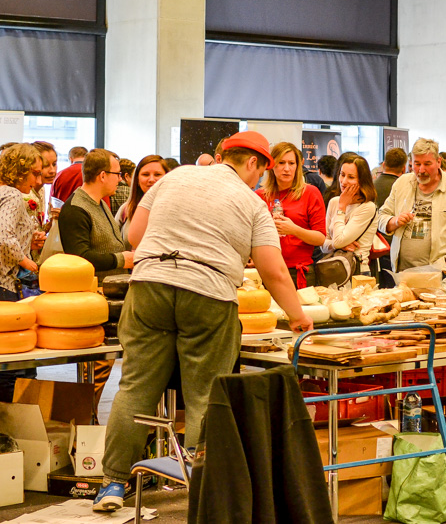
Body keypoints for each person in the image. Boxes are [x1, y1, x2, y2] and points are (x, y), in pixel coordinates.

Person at [93, 130, 313, 512]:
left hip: (149, 286)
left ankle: (111, 484)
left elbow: (135, 235)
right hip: (208, 294)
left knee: (135, 387)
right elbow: (274, 271)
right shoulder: (252, 202)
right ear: (253, 163)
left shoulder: (175, 177)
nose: (259, 179)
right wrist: (298, 316)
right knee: (205, 394)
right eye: (262, 171)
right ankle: (202, 489)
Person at [59, 149, 134, 408]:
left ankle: (87, 417)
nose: (120, 180)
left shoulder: (101, 203)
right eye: (117, 174)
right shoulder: (76, 209)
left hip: (109, 299)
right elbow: (80, 258)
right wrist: (121, 259)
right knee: (95, 372)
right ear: (102, 175)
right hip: (92, 302)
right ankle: (82, 419)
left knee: (104, 367)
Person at [0, 144, 44, 401]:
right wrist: (27, 261)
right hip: (6, 285)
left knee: (2, 364)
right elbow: (3, 240)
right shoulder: (12, 196)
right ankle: (11, 420)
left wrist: (26, 243)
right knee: (14, 366)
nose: (38, 181)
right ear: (20, 171)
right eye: (34, 173)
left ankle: (0, 418)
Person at [377, 138, 446, 288]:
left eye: (427, 164)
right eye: (417, 164)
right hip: (403, 275)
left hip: (442, 276)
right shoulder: (402, 183)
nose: (421, 170)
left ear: (438, 162)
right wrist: (394, 221)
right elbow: (381, 217)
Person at [256, 142, 326, 288]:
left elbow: (320, 238)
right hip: (266, 270)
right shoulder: (259, 196)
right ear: (272, 166)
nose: (287, 168)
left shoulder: (310, 193)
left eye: (291, 163)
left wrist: (294, 230)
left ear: (297, 166)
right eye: (281, 163)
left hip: (298, 271)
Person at [322, 155, 379, 274]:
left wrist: (342, 208)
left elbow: (338, 240)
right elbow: (323, 245)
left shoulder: (367, 207)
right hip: (334, 269)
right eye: (342, 175)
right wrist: (336, 245)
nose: (344, 181)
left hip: (357, 271)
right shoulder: (334, 202)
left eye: (351, 177)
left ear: (362, 181)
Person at [116, 155, 169, 248]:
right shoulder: (126, 209)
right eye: (145, 174)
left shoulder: (176, 210)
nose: (151, 179)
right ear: (137, 180)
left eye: (157, 174)